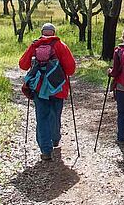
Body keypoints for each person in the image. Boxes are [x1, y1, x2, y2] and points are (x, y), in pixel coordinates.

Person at [19, 23, 76, 161]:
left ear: (42, 32)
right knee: (55, 115)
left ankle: (46, 151)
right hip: (58, 88)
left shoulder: (35, 45)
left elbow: (23, 65)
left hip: (39, 88)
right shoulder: (61, 45)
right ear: (54, 33)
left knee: (42, 118)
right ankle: (55, 139)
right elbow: (71, 70)